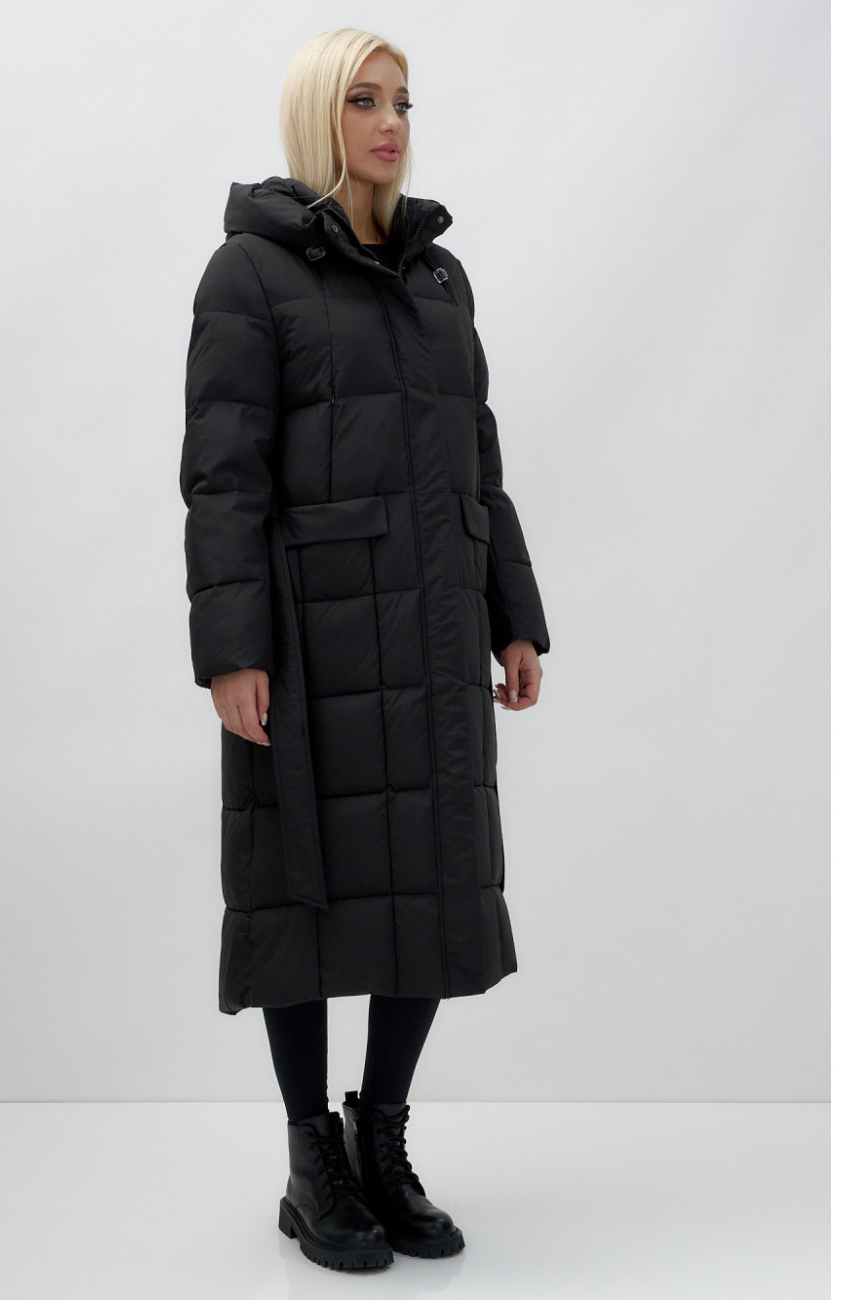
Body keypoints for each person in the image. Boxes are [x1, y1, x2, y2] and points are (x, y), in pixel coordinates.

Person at [180, 27, 551, 1272]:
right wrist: (231, 648)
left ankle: (377, 1137)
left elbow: (477, 457)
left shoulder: (439, 279)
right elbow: (223, 476)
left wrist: (511, 611)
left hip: (434, 626)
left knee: (432, 884)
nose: (391, 123)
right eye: (363, 100)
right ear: (315, 115)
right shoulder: (249, 272)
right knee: (298, 886)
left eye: (402, 102)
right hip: (309, 635)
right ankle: (310, 1160)